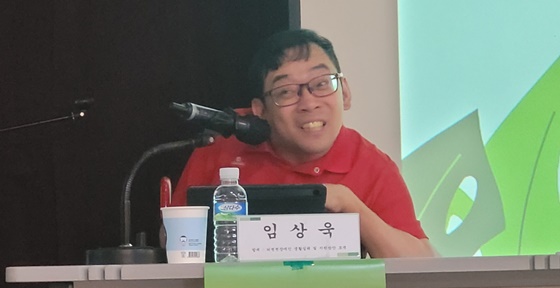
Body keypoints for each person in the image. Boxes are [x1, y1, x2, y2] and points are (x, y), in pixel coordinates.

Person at [170, 29, 436, 258]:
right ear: (260, 110)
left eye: (321, 84)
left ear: (345, 93)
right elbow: (172, 238)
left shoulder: (369, 164)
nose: (309, 103)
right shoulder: (223, 141)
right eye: (286, 92)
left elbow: (422, 264)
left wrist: (349, 204)